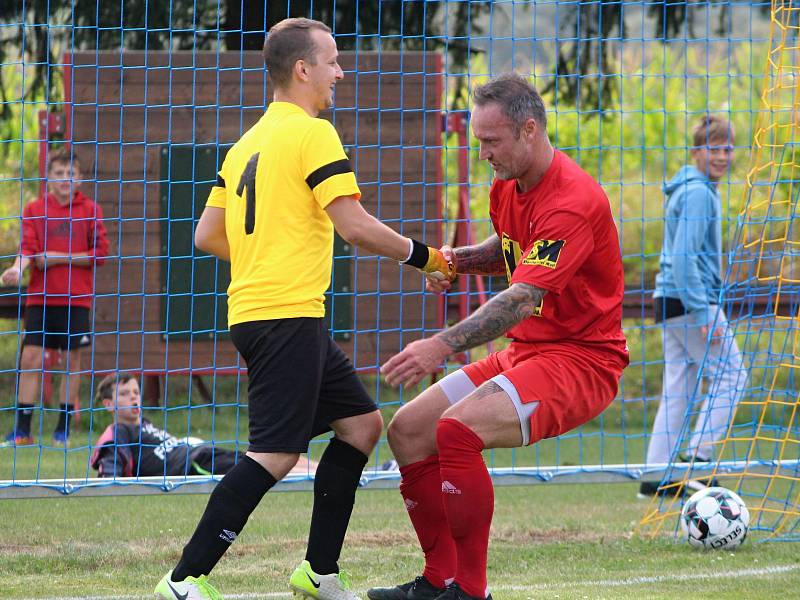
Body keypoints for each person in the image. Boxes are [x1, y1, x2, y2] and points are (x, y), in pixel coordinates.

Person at [155, 17, 454, 600]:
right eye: (332, 61)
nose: (339, 72)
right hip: (285, 314)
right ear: (302, 69)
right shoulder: (315, 133)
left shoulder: (248, 143)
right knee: (275, 452)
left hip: (266, 313)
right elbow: (353, 226)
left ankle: (317, 573)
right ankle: (183, 581)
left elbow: (206, 234)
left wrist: (268, 251)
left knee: (364, 426)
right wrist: (426, 258)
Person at [368, 73, 629, 600]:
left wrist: (441, 343)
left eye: (491, 141)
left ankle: (471, 590)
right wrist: (452, 260)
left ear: (529, 129)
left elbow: (519, 297)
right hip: (527, 352)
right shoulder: (508, 185)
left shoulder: (573, 200)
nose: (483, 152)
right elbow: (509, 248)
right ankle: (438, 580)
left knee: (457, 431)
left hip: (583, 362)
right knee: (410, 429)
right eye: (477, 141)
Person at [639, 115, 746, 497]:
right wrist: (703, 313)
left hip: (670, 299)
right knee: (732, 375)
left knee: (679, 386)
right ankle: (697, 462)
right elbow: (684, 259)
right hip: (688, 300)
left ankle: (656, 476)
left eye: (728, 149)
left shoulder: (691, 188)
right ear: (696, 152)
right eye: (714, 149)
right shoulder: (699, 192)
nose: (722, 156)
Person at [1, 148, 108, 447]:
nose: (65, 179)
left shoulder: (91, 210)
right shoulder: (35, 209)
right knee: (30, 358)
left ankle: (63, 429)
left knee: (72, 362)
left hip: (76, 300)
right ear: (49, 178)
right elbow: (28, 250)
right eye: (59, 173)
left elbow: (99, 255)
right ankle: (22, 430)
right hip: (41, 299)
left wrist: (58, 257)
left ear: (80, 178)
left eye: (71, 173)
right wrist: (16, 268)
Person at [91, 372, 318, 478]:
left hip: (200, 452)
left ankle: (321, 469)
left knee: (260, 459)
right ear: (109, 405)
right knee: (261, 467)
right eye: (124, 394)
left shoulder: (145, 425)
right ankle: (320, 474)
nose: (133, 397)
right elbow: (110, 469)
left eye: (136, 392)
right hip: (193, 464)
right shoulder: (118, 432)